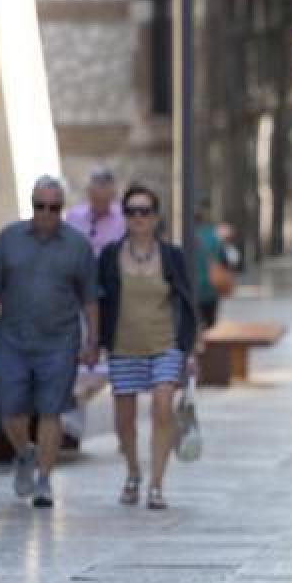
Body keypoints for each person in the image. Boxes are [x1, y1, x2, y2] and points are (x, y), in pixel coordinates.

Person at [0, 175, 99, 509]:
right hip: (11, 340)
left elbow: (90, 299)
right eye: (40, 206)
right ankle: (25, 452)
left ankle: (44, 481)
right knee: (10, 410)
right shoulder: (8, 239)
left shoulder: (77, 246)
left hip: (60, 342)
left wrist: (93, 341)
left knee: (50, 411)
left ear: (62, 208)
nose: (46, 213)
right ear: (32, 206)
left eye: (53, 207)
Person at [98, 183, 199, 511]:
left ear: (156, 217)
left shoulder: (172, 256)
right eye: (131, 211)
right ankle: (133, 472)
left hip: (165, 345)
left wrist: (190, 349)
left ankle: (156, 484)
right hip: (123, 347)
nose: (138, 217)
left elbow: (187, 302)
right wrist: (95, 342)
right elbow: (99, 301)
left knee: (163, 406)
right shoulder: (110, 256)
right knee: (124, 421)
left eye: (145, 211)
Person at [63, 167, 126, 443]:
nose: (99, 203)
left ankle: (124, 431)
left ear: (112, 195)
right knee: (78, 358)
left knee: (119, 363)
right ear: (88, 193)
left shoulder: (124, 219)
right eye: (94, 197)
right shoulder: (74, 217)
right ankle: (72, 429)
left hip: (114, 300)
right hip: (78, 298)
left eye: (104, 198)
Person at [194, 198, 230, 328]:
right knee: (210, 326)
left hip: (193, 289)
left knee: (194, 326)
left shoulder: (184, 237)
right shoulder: (212, 235)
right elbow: (225, 261)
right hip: (212, 288)